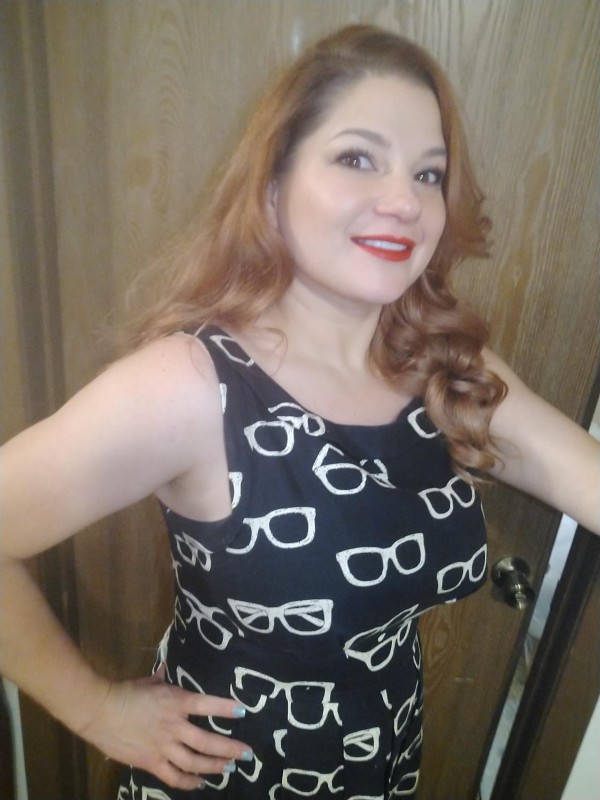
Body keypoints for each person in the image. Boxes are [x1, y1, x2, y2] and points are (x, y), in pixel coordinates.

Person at [1, 24, 598, 800]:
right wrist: (96, 711)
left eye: (428, 174)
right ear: (273, 186)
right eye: (357, 158)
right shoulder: (191, 387)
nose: (405, 202)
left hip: (383, 763)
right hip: (231, 780)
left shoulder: (447, 369)